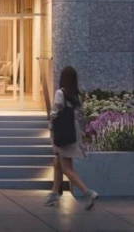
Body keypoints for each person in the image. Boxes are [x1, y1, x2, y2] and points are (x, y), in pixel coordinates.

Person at [44, 65, 98, 209]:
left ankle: (88, 192)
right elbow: (80, 117)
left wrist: (50, 124)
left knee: (67, 168)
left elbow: (55, 112)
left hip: (61, 134)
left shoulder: (60, 93)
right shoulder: (76, 96)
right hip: (72, 134)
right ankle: (54, 194)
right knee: (58, 163)